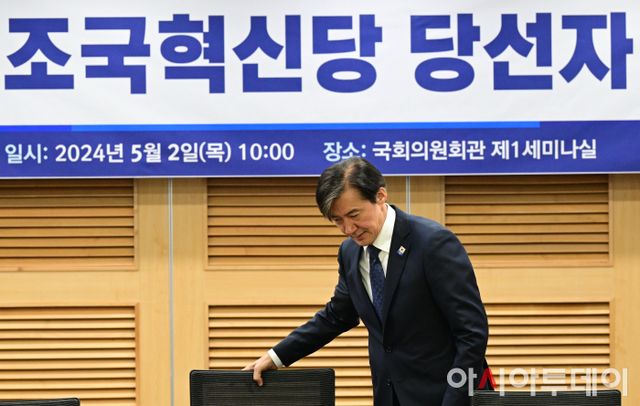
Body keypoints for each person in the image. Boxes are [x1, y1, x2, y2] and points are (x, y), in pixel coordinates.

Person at [243, 156, 491, 406]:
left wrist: (454, 401)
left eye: (354, 214)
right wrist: (276, 356)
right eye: (338, 220)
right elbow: (337, 316)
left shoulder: (433, 243)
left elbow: (472, 333)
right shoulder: (350, 253)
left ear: (380, 196)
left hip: (446, 396)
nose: (348, 229)